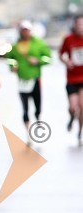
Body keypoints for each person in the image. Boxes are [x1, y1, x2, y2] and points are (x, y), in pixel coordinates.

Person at [5, 20, 51, 143]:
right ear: (20, 31)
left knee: (37, 107)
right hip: (22, 81)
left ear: (30, 31)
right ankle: (28, 133)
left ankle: (37, 118)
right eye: (23, 30)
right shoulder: (15, 46)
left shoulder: (39, 43)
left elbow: (48, 58)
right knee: (25, 108)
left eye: (27, 30)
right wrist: (12, 66)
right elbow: (9, 59)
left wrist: (38, 61)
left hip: (35, 79)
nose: (25, 32)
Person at [59, 14, 83, 145]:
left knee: (82, 106)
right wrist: (66, 61)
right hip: (72, 78)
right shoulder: (68, 39)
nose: (81, 27)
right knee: (73, 107)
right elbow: (61, 55)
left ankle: (80, 131)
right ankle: (71, 116)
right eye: (79, 24)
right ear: (75, 25)